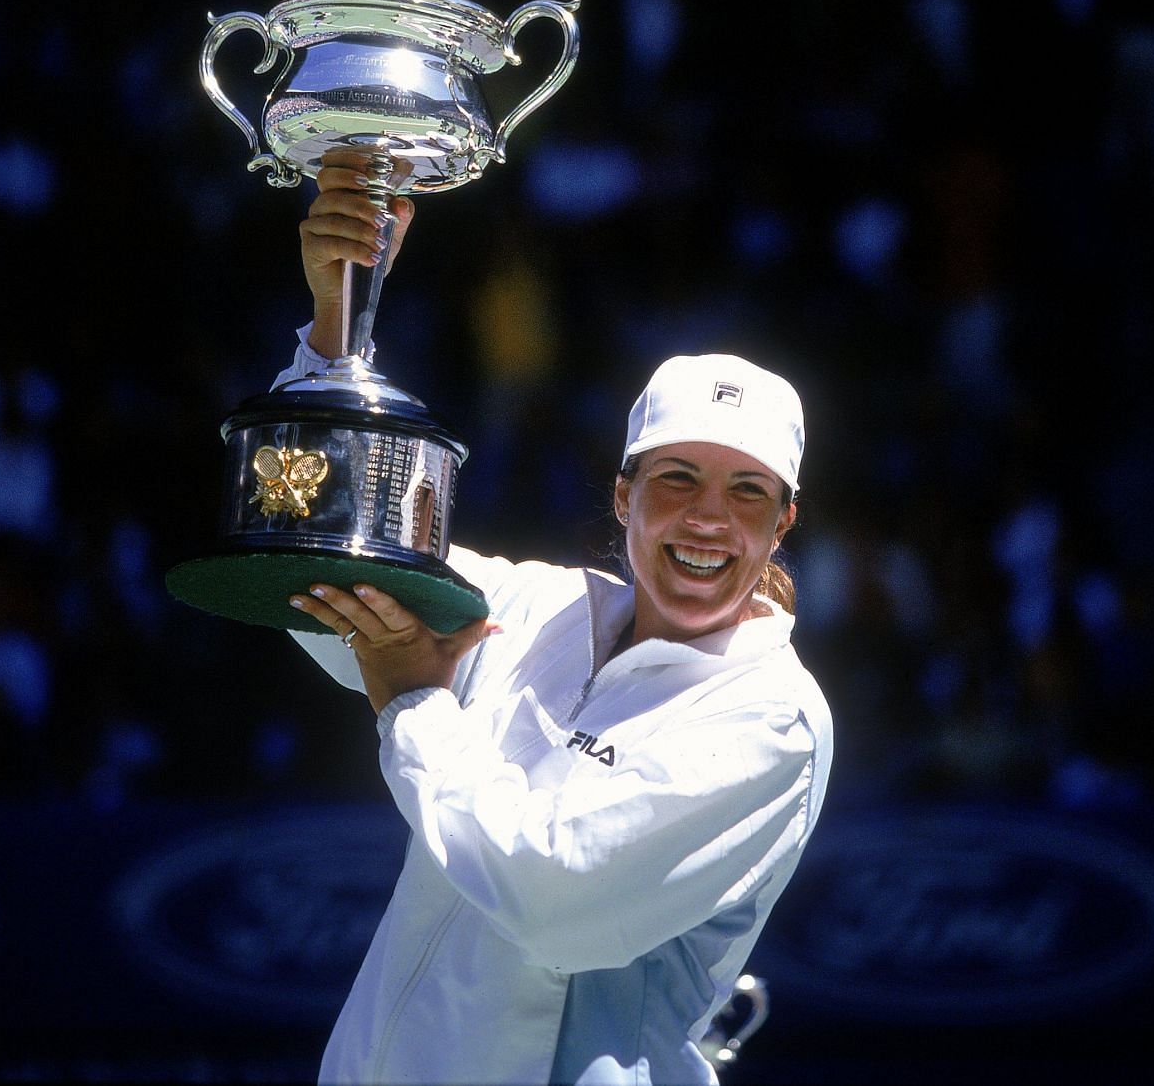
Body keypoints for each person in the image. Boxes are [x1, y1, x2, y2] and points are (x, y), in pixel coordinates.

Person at [281, 165, 832, 1085]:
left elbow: (552, 902)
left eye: (747, 493)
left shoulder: (773, 718)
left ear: (782, 524)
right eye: (677, 480)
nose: (707, 519)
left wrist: (413, 699)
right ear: (624, 498)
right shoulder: (537, 605)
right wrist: (340, 318)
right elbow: (322, 559)